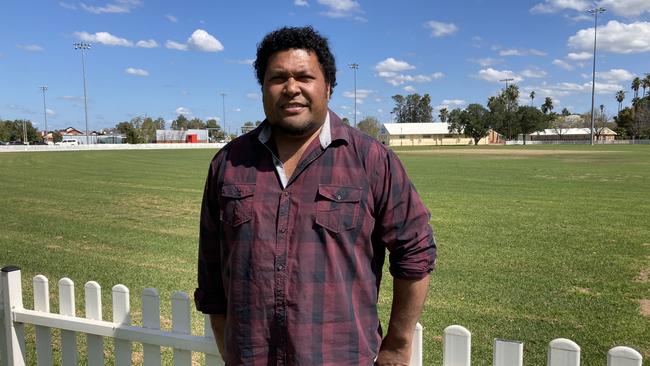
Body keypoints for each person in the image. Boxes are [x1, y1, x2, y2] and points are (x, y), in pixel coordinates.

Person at [195, 26, 436, 366]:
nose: (291, 88)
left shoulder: (371, 161)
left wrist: (397, 345)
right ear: (263, 88)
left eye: (304, 77)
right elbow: (211, 272)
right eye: (277, 78)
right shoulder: (229, 163)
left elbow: (416, 252)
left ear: (328, 87)